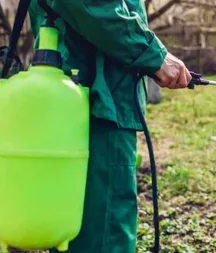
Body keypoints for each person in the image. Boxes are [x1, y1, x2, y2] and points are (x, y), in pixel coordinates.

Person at [27, 1, 192, 252]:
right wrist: (153, 53)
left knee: (77, 228)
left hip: (82, 96)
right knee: (103, 231)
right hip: (99, 99)